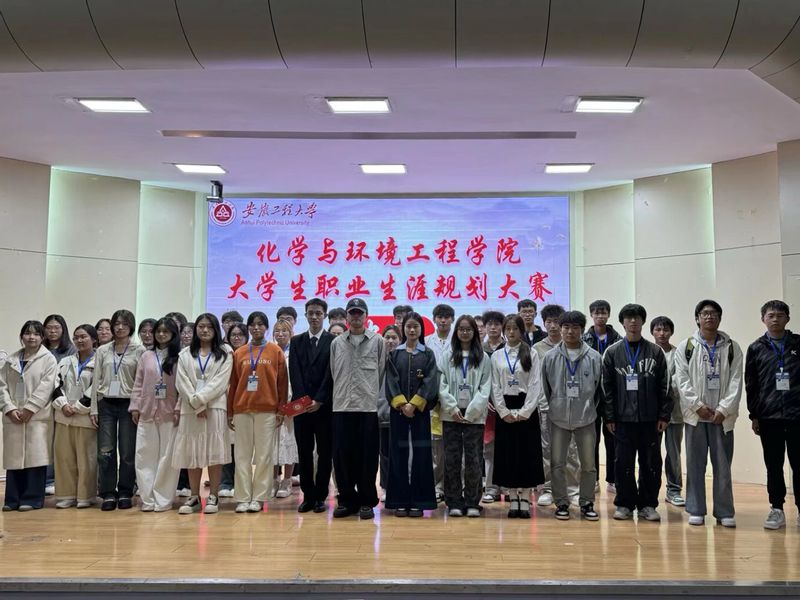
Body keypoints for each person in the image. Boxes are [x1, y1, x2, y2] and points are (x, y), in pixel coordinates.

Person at [675, 300, 742, 528]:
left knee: (723, 466)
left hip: (722, 419)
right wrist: (697, 406)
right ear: (697, 318)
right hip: (695, 417)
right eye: (704, 313)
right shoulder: (686, 346)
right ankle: (696, 509)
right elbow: (682, 380)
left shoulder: (732, 347)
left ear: (720, 318)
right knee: (695, 465)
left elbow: (736, 381)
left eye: (714, 313)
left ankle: (724, 511)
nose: (709, 317)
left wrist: (723, 409)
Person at [602, 303, 670, 522]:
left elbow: (665, 386)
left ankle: (648, 504)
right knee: (623, 463)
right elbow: (606, 387)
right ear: (622, 322)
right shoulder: (612, 352)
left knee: (651, 463)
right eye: (629, 318)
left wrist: (664, 415)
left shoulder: (655, 351)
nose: (633, 321)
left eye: (637, 317)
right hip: (622, 419)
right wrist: (609, 416)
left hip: (650, 419)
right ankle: (624, 503)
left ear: (642, 322)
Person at [541, 311, 602, 521]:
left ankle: (586, 502)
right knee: (557, 463)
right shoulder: (550, 357)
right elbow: (546, 388)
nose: (570, 331)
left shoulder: (594, 357)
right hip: (558, 418)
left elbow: (598, 391)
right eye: (566, 327)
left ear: (582, 330)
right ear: (560, 329)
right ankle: (561, 503)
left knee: (588, 465)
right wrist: (555, 406)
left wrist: (588, 408)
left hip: (586, 418)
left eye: (575, 327)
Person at [745, 300, 800, 530]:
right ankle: (777, 509)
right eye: (770, 315)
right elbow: (751, 384)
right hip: (769, 418)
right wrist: (754, 416)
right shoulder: (756, 348)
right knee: (774, 465)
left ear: (788, 318)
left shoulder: (798, 343)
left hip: (797, 416)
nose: (775, 319)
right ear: (763, 319)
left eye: (779, 315)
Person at [329, 298, 385, 519]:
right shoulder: (337, 343)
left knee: (367, 457)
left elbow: (381, 371)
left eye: (359, 313)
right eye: (352, 313)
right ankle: (346, 500)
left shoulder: (378, 341)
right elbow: (334, 372)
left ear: (366, 316)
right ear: (346, 317)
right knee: (342, 457)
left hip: (367, 408)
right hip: (341, 407)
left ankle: (366, 501)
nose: (355, 317)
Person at [227, 311, 288, 513]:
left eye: (260, 324)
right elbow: (233, 384)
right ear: (248, 328)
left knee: (263, 456)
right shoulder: (239, 353)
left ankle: (260, 497)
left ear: (266, 328)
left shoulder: (275, 351)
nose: (256, 328)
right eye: (252, 324)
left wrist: (281, 410)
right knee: (242, 456)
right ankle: (243, 497)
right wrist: (230, 411)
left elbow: (282, 383)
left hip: (267, 410)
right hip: (242, 409)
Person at [173, 314, 233, 515]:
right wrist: (197, 403)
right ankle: (194, 496)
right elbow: (181, 382)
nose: (205, 330)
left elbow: (220, 382)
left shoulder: (225, 352)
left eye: (209, 327)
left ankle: (213, 495)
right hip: (191, 409)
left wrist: (200, 399)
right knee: (192, 451)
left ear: (216, 330)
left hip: (215, 407)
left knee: (214, 452)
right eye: (201, 326)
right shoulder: (185, 354)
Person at [385, 312, 439, 517]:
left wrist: (415, 404)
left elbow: (430, 381)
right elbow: (391, 380)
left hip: (420, 412)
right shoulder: (395, 354)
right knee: (398, 454)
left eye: (416, 326)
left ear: (421, 329)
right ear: (403, 329)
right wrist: (401, 404)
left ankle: (420, 500)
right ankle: (399, 500)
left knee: (421, 454)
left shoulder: (428, 354)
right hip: (398, 412)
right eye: (408, 326)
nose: (412, 330)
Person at [490, 314, 545, 519]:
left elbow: (535, 383)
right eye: (508, 328)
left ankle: (526, 497)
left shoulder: (532, 353)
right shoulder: (497, 356)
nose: (511, 332)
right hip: (504, 408)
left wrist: (525, 411)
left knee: (527, 453)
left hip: (526, 410)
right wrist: (503, 411)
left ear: (522, 330)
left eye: (515, 328)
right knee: (508, 454)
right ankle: (512, 496)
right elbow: (494, 385)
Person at [0, 321, 58, 511]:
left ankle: (32, 498)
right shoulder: (11, 360)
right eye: (27, 333)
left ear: (42, 337)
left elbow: (46, 387)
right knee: (14, 458)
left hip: (37, 416)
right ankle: (12, 499)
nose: (31, 337)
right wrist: (9, 408)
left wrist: (29, 409)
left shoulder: (48, 360)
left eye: (36, 334)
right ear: (21, 336)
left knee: (35, 458)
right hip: (13, 416)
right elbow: (2, 387)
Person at [91, 309, 144, 511]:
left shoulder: (139, 350)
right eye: (116, 324)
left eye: (125, 324)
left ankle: (125, 491)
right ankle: (107, 493)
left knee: (128, 452)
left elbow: (141, 382)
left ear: (131, 326)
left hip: (128, 405)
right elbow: (96, 381)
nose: (120, 327)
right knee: (105, 451)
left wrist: (138, 406)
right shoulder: (103, 350)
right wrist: (94, 409)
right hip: (106, 404)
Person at [439, 315, 491, 518]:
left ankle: (472, 501)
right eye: (461, 329)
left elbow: (485, 387)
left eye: (469, 329)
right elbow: (441, 385)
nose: (465, 332)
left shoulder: (483, 358)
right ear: (456, 332)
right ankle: (453, 501)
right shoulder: (447, 356)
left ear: (474, 332)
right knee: (451, 459)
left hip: (474, 417)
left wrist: (471, 412)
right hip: (451, 415)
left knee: (473, 459)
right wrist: (452, 409)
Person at [129, 318, 181, 512]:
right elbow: (138, 383)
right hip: (147, 412)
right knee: (144, 456)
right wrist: (135, 406)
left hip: (170, 413)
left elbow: (183, 387)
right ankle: (148, 498)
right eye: (158, 331)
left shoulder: (180, 356)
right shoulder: (146, 356)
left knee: (167, 457)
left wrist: (179, 408)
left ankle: (163, 499)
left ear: (173, 334)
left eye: (166, 331)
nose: (161, 334)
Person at [289, 298, 335, 514]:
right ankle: (307, 496)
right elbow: (295, 373)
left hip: (325, 407)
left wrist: (320, 400)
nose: (314, 317)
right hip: (302, 406)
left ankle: (320, 496)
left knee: (325, 453)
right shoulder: (296, 341)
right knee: (304, 452)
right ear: (306, 315)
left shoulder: (333, 341)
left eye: (318, 313)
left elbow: (331, 374)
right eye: (311, 313)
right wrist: (306, 401)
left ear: (324, 315)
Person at [533, 304, 579, 508]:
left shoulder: (574, 346)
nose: (552, 326)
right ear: (543, 323)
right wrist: (541, 405)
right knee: (547, 450)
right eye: (548, 322)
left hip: (571, 408)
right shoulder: (537, 349)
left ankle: (572, 489)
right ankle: (548, 489)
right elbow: (535, 380)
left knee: (571, 449)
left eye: (556, 322)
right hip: (546, 408)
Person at [52, 324, 98, 509]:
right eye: (76, 337)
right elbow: (56, 385)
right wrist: (63, 405)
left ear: (93, 339)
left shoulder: (99, 361)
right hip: (64, 416)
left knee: (86, 459)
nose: (79, 340)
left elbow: (97, 387)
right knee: (64, 458)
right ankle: (66, 495)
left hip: (85, 418)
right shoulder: (65, 361)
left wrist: (78, 406)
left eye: (83, 337)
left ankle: (86, 495)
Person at [583, 299, 622, 494]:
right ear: (591, 315)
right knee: (592, 440)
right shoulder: (583, 339)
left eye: (603, 312)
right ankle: (594, 478)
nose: (600, 316)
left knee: (613, 439)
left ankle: (613, 480)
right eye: (596, 312)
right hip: (590, 396)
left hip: (612, 396)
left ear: (608, 314)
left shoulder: (618, 339)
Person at [651, 315, 685, 507]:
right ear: (652, 332)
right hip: (652, 413)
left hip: (674, 412)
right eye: (658, 329)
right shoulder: (647, 352)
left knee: (674, 453)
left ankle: (674, 489)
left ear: (671, 332)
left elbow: (678, 381)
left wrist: (661, 388)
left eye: (666, 330)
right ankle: (650, 489)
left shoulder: (678, 353)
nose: (662, 333)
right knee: (651, 453)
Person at [43, 313, 75, 495]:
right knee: (45, 440)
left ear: (63, 330)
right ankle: (46, 479)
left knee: (61, 442)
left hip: (63, 401)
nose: (52, 331)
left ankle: (58, 479)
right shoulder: (39, 349)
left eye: (56, 327)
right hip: (42, 402)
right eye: (49, 328)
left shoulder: (71, 350)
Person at [429, 303, 455, 503]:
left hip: (455, 398)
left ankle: (454, 487)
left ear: (452, 319)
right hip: (433, 400)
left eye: (447, 317)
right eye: (440, 317)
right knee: (437, 447)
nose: (443, 320)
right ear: (434, 319)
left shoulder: (459, 341)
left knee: (454, 445)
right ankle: (438, 486)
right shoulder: (427, 341)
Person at [219, 322, 249, 498]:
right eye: (233, 335)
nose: (236, 338)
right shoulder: (223, 353)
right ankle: (226, 481)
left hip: (245, 403)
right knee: (226, 444)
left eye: (240, 335)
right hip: (224, 402)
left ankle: (241, 482)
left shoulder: (250, 353)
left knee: (242, 446)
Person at [481, 310, 505, 503]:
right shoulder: (479, 349)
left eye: (497, 324)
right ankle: (490, 488)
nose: (493, 327)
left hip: (508, 405)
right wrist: (485, 399)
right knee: (489, 449)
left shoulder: (511, 347)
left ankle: (507, 487)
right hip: (486, 406)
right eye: (490, 324)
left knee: (508, 447)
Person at [272, 318, 298, 499]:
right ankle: (273, 479)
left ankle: (287, 480)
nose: (280, 334)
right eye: (277, 331)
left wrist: (292, 403)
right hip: (271, 405)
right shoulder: (269, 351)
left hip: (290, 405)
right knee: (272, 444)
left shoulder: (295, 352)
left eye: (284, 331)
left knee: (288, 441)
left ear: (291, 334)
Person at [378, 325, 401, 501]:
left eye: (394, 337)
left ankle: (400, 485)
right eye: (387, 337)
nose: (391, 341)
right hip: (381, 413)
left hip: (401, 413)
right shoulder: (377, 358)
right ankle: (386, 487)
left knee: (400, 452)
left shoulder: (404, 358)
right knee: (384, 454)